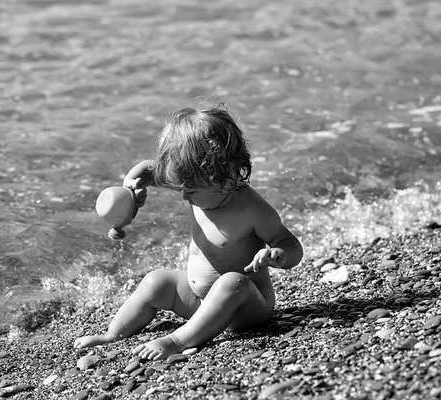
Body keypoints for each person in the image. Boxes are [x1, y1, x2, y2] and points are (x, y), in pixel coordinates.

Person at [74, 106, 303, 360]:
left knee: (232, 282)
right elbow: (151, 170)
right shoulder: (202, 189)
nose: (183, 195)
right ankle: (112, 333)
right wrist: (132, 185)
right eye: (180, 187)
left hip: (244, 307)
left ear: (221, 174)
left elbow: (291, 245)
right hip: (198, 301)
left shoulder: (253, 210)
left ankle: (177, 340)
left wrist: (278, 255)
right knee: (157, 281)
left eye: (189, 190)